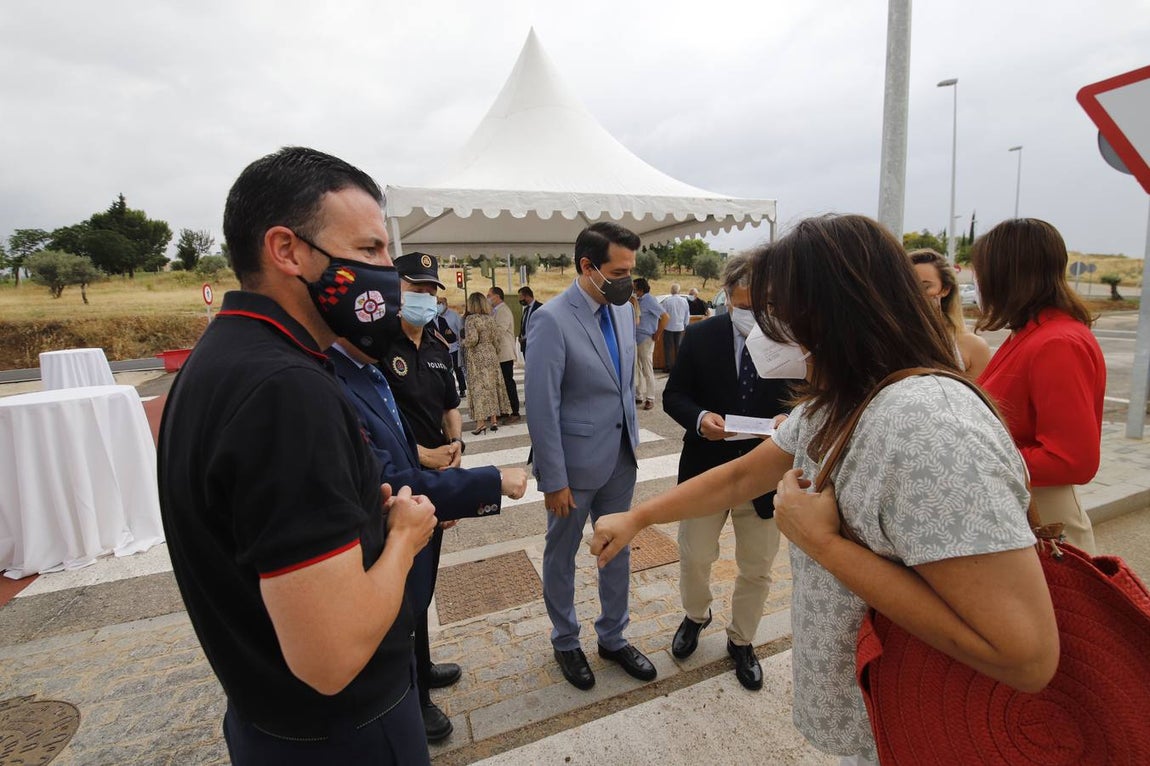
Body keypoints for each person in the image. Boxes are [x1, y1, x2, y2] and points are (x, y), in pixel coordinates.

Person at [591, 214, 1058, 765]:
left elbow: (1024, 654)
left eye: (779, 315)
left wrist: (825, 545)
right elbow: (744, 474)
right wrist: (640, 517)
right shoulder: (842, 400)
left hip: (918, 727)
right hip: (872, 716)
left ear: (830, 313)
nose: (768, 333)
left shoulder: (928, 423)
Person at [158, 147, 439, 764]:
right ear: (286, 250)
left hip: (270, 721)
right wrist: (402, 538)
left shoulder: (222, 359)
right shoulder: (287, 391)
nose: (389, 273)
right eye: (368, 251)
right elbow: (331, 657)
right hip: (346, 733)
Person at [328, 327, 527, 743]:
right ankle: (412, 700)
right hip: (384, 527)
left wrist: (443, 481)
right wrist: (491, 481)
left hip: (420, 501)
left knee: (419, 598)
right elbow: (383, 474)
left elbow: (430, 419)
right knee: (397, 614)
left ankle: (421, 671)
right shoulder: (334, 379)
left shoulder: (371, 370)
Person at [525, 222, 655, 691]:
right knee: (560, 555)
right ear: (587, 267)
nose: (627, 279)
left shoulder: (621, 311)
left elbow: (621, 385)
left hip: (620, 457)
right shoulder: (552, 319)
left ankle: (613, 636)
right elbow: (542, 407)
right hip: (573, 469)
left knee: (616, 548)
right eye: (618, 270)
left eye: (631, 270)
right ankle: (565, 640)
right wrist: (553, 478)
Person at [662, 253, 796, 690]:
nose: (752, 315)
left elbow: (807, 398)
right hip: (706, 467)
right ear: (727, 297)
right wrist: (701, 418)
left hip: (764, 474)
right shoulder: (702, 338)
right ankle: (696, 615)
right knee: (695, 555)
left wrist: (788, 423)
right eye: (743, 305)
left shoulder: (789, 341)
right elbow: (674, 395)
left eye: (763, 306)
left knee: (757, 566)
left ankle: (742, 640)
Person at [973, 218, 1106, 554]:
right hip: (1021, 507)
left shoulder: (1056, 343)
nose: (976, 282)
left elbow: (1072, 460)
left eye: (981, 271)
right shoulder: (1032, 333)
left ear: (1006, 274)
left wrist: (975, 459)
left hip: (1043, 517)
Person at [908, 248, 991, 378]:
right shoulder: (886, 338)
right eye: (909, 286)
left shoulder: (973, 346)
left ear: (945, 289)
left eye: (925, 287)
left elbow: (976, 396)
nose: (916, 294)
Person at [462, 292, 510, 435]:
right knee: (491, 387)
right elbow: (497, 340)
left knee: (479, 390)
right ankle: (494, 420)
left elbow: (472, 339)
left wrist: (463, 342)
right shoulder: (490, 319)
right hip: (491, 354)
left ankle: (481, 423)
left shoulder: (471, 319)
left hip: (477, 357)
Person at [632, 277, 667, 410]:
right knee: (638, 368)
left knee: (647, 369)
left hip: (646, 338)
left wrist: (657, 334)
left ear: (640, 289)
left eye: (635, 288)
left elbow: (665, 317)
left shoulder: (649, 300)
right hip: (636, 338)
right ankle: (639, 395)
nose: (633, 291)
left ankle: (650, 398)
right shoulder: (638, 300)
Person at [487, 286, 520, 424]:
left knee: (508, 382)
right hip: (498, 353)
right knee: (500, 384)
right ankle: (504, 410)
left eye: (489, 295)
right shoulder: (495, 311)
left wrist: (486, 336)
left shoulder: (503, 311)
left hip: (504, 353)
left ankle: (515, 411)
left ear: (497, 296)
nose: (487, 297)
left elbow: (499, 330)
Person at [436, 295, 465, 396]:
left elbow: (460, 330)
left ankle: (462, 389)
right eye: (438, 303)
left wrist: (460, 344)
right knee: (446, 371)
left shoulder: (454, 315)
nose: (439, 305)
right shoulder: (435, 317)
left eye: (441, 303)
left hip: (454, 347)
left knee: (458, 369)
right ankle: (449, 391)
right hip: (441, 349)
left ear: (446, 304)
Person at [662, 283, 690, 371]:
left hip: (668, 327)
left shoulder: (667, 301)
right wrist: (685, 325)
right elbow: (687, 314)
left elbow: (663, 314)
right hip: (680, 327)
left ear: (671, 290)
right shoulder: (684, 301)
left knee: (668, 348)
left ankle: (668, 366)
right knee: (679, 348)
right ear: (679, 291)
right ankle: (679, 367)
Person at [517, 285, 542, 359]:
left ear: (527, 296)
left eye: (521, 297)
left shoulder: (540, 308)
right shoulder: (526, 310)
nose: (520, 300)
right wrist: (520, 336)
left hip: (535, 343)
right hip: (525, 344)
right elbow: (524, 324)